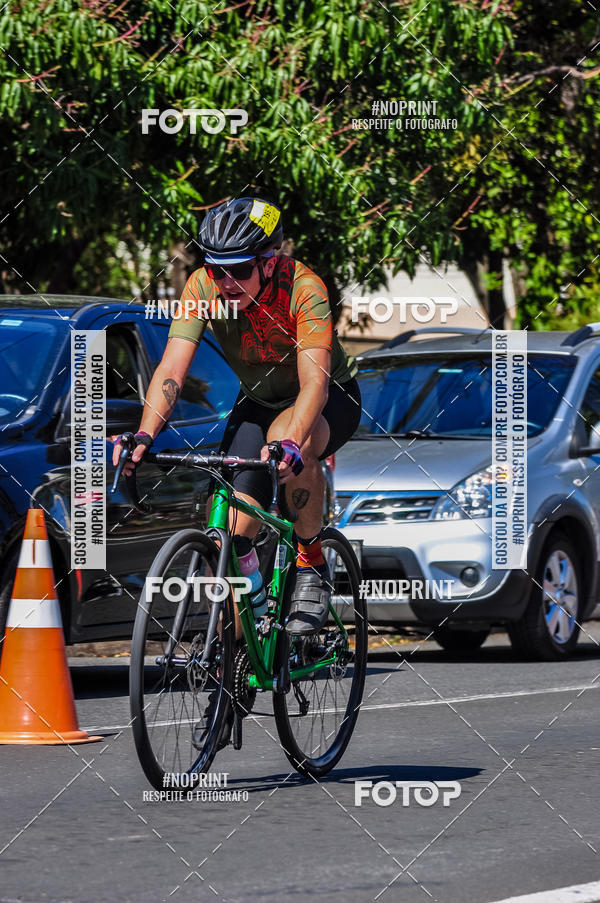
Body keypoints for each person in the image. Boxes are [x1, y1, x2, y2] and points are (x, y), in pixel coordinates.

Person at [112, 196, 361, 744]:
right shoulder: (202, 287)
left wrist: (294, 443)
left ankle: (312, 563)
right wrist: (145, 435)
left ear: (269, 261)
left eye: (238, 269)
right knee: (229, 537)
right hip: (259, 401)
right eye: (215, 266)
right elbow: (172, 368)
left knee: (285, 447)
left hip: (324, 399)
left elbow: (314, 385)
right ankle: (232, 669)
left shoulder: (304, 288)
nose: (225, 281)